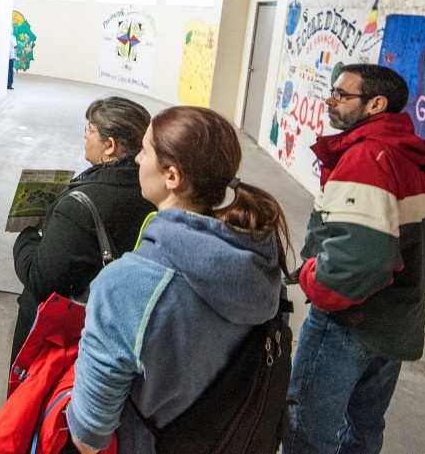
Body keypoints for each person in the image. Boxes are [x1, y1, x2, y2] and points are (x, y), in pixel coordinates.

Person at [66, 106, 291, 454]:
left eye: (146, 151)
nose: (138, 159)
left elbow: (88, 435)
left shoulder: (125, 286)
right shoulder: (262, 264)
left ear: (172, 176)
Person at [283, 64, 425, 454]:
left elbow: (357, 264)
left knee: (306, 432)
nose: (330, 100)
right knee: (363, 429)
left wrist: (313, 280)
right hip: (395, 321)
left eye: (341, 94)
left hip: (349, 324)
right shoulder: (412, 154)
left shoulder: (368, 156)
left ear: (376, 104)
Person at [10, 96, 155, 365]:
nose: (85, 136)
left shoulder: (78, 207)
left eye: (90, 129)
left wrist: (27, 235)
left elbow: (39, 280)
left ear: (110, 146)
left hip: (65, 341)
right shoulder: (151, 193)